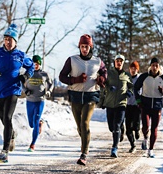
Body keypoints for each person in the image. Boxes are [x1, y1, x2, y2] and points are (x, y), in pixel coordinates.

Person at [0, 23, 35, 163]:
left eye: (10, 39)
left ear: (15, 41)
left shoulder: (20, 55)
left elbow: (31, 66)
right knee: (4, 120)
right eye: (6, 39)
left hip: (13, 89)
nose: (7, 41)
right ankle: (12, 134)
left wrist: (25, 76)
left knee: (7, 117)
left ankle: (4, 152)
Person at [59, 34, 107, 166]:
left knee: (85, 123)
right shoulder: (72, 60)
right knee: (80, 127)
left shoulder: (97, 61)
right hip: (75, 96)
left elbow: (104, 72)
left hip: (91, 95)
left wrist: (101, 79)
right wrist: (75, 80)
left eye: (86, 46)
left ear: (90, 47)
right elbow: (62, 76)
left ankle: (84, 154)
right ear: (79, 47)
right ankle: (86, 141)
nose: (84, 49)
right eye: (82, 46)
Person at [134, 57, 163, 158]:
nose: (155, 67)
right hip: (145, 106)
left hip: (157, 106)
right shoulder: (144, 76)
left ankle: (150, 150)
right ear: (150, 66)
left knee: (154, 128)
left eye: (156, 65)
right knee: (146, 126)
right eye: (153, 65)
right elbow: (136, 88)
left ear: (159, 67)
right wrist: (138, 100)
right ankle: (145, 138)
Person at [102, 54, 133, 158]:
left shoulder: (127, 75)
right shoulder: (109, 73)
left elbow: (132, 87)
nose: (119, 62)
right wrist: (108, 88)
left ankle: (114, 148)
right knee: (111, 127)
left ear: (123, 63)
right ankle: (121, 129)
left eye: (121, 61)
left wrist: (130, 92)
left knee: (116, 126)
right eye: (117, 61)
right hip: (110, 103)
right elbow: (103, 85)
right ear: (114, 62)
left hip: (121, 103)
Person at [23, 55, 54, 152]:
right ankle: (40, 123)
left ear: (40, 64)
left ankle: (32, 144)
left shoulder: (44, 74)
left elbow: (51, 84)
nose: (35, 66)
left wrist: (48, 91)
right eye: (34, 64)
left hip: (40, 100)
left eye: (37, 64)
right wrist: (25, 90)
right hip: (29, 101)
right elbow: (21, 83)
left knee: (35, 121)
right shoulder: (28, 73)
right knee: (31, 124)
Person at [124, 61, 141, 153]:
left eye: (135, 69)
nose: (133, 70)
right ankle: (133, 145)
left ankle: (137, 130)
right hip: (128, 105)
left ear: (137, 70)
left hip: (137, 105)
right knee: (128, 128)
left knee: (135, 124)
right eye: (131, 69)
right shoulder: (127, 78)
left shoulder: (139, 79)